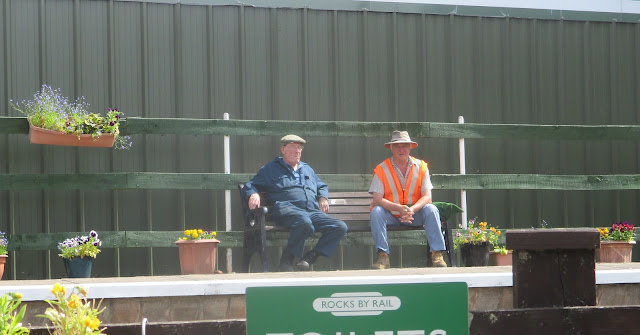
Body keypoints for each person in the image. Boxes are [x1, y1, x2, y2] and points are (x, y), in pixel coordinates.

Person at [242, 134, 348, 272]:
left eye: (299, 148)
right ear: (283, 149)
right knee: (305, 223)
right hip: (287, 209)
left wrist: (322, 197)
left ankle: (310, 257)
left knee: (340, 226)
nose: (297, 151)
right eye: (293, 147)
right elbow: (251, 184)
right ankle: (286, 261)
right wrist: (253, 193)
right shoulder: (271, 169)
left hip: (311, 211)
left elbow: (321, 186)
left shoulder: (307, 169)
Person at [369, 130, 447, 269]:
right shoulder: (381, 169)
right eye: (397, 146)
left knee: (431, 209)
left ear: (410, 147)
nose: (401, 149)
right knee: (376, 211)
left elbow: (427, 197)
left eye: (404, 145)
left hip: (414, 215)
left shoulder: (422, 167)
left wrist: (411, 210)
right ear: (391, 148)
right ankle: (383, 257)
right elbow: (377, 199)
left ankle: (437, 254)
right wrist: (398, 208)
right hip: (391, 215)